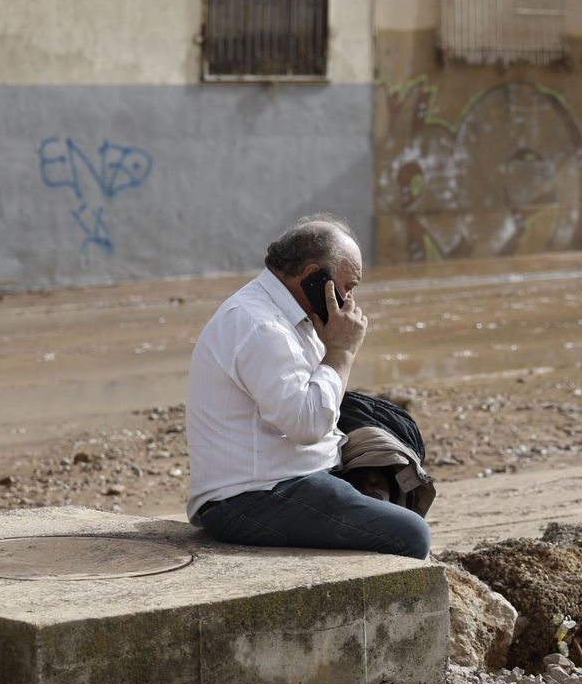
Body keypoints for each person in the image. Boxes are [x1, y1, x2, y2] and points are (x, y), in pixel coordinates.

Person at [185, 215, 432, 559]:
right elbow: (306, 424)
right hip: (251, 497)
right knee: (411, 535)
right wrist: (342, 350)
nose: (348, 302)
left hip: (288, 478)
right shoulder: (260, 326)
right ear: (314, 276)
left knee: (401, 478)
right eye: (348, 287)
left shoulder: (291, 318)